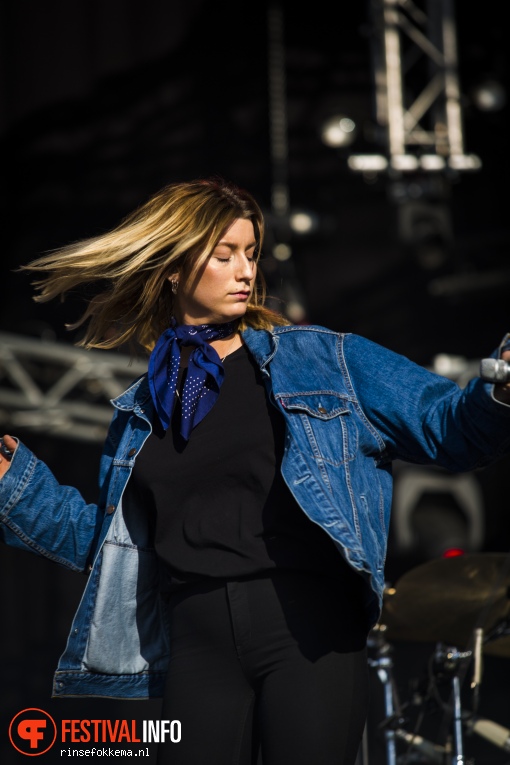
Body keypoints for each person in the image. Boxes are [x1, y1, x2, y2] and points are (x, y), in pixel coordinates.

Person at [1, 176, 510, 765]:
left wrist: (499, 391)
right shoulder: (140, 411)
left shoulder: (323, 360)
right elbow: (108, 548)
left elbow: (449, 427)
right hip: (192, 640)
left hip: (305, 628)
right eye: (223, 256)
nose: (245, 271)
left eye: (250, 254)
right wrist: (17, 484)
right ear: (172, 268)